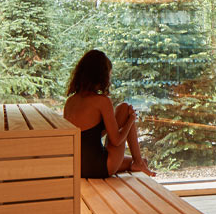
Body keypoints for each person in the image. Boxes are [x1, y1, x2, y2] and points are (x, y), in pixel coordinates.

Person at [63, 50, 152, 178]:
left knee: (131, 162)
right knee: (124, 108)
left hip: (77, 167)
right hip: (99, 167)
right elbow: (116, 141)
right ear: (102, 75)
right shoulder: (101, 101)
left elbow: (87, 135)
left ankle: (137, 163)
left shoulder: (71, 101)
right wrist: (131, 120)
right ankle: (138, 162)